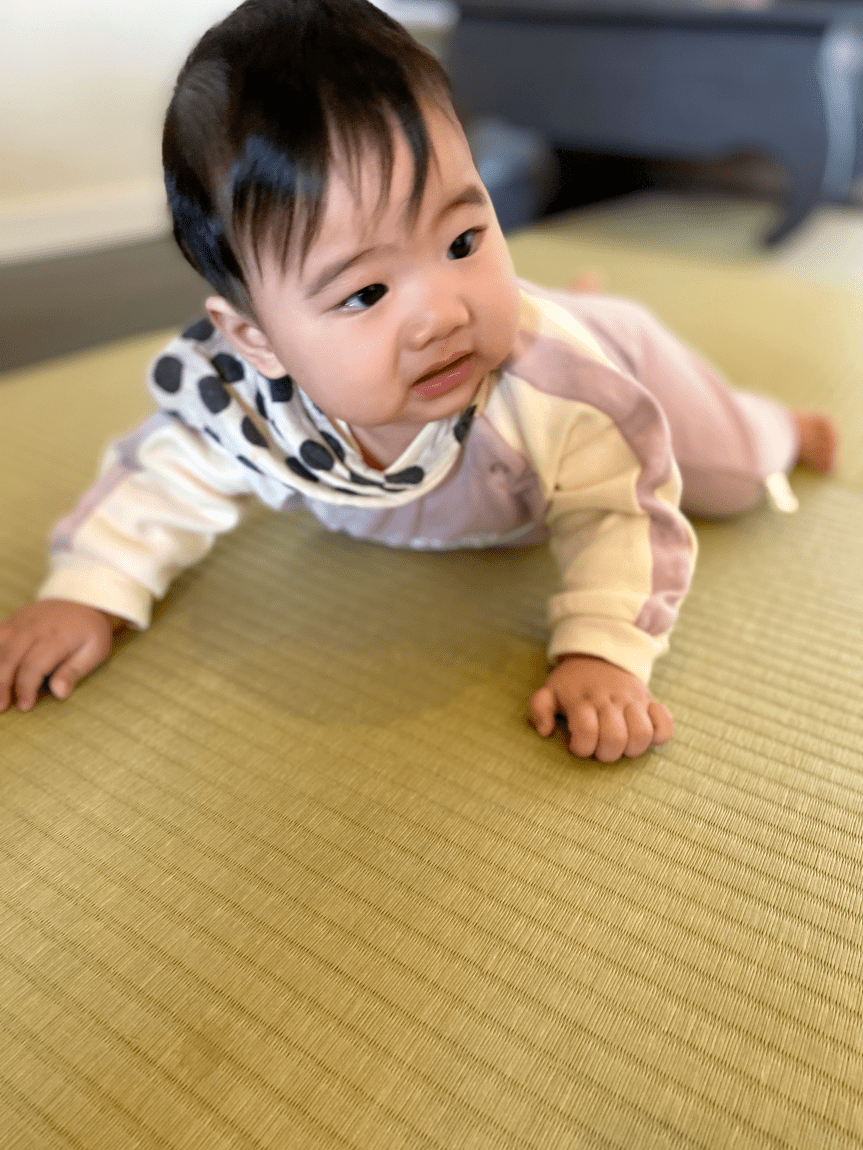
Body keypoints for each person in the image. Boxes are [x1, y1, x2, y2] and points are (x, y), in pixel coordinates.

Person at [0, 0, 836, 761]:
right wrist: (90, 591)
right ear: (256, 339)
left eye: (463, 241)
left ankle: (777, 422)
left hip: (619, 359)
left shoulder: (564, 387)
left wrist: (602, 649)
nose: (440, 315)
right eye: (365, 292)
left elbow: (619, 509)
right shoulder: (242, 405)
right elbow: (157, 482)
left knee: (730, 475)